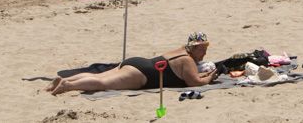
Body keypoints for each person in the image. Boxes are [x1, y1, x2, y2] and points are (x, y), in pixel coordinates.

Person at [47, 32, 218, 95]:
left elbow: (190, 75)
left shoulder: (181, 50)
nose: (205, 53)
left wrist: (203, 74)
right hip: (142, 74)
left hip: (137, 62)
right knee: (102, 83)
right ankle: (68, 85)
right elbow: (194, 82)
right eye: (202, 49)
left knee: (99, 75)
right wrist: (209, 78)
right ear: (194, 48)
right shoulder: (188, 60)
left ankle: (62, 81)